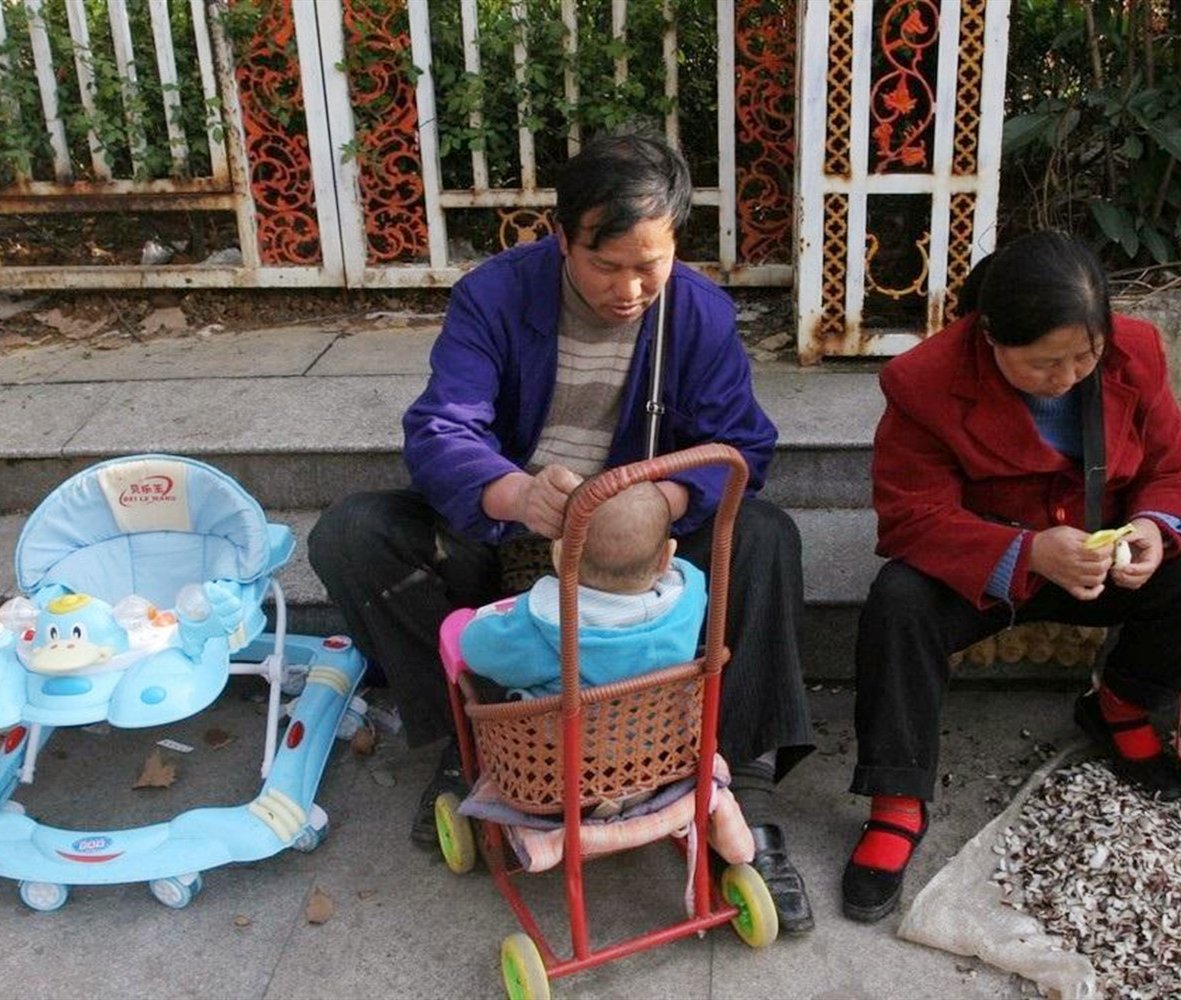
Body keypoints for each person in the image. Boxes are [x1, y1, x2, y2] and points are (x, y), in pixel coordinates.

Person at [308, 128, 815, 932]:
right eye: (605, 264)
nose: (629, 289)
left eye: (649, 265)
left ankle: (736, 791)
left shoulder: (700, 313)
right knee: (352, 533)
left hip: (636, 544)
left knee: (766, 536)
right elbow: (442, 427)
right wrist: (510, 491)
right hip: (507, 527)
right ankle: (468, 745)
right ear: (560, 238)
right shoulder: (495, 296)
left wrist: (665, 503)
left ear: (675, 243)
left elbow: (743, 444)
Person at [840, 229, 1181, 924]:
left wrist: (1151, 527)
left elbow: (1176, 467)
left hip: (1099, 559)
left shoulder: (1135, 351)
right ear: (990, 335)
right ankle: (897, 799)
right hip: (986, 573)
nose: (1067, 378)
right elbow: (911, 516)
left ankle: (1118, 705)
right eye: (1042, 365)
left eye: (1084, 356)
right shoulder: (924, 381)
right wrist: (1026, 552)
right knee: (898, 598)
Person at [458, 481, 705, 698]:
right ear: (666, 557)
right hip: (664, 739)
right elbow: (681, 569)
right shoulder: (689, 597)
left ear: (560, 554)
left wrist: (476, 623)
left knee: (483, 691)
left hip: (562, 745)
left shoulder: (547, 625)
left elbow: (476, 650)